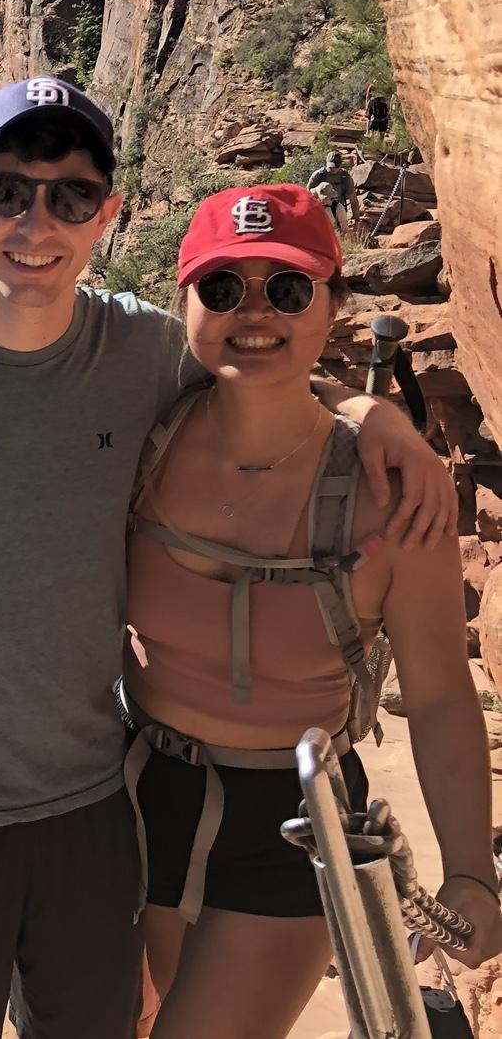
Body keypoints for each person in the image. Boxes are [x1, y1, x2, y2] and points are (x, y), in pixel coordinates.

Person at [0, 76, 455, 1039]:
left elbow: (264, 371)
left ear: (107, 214)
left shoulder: (146, 354)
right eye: (7, 190)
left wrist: (370, 410)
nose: (35, 221)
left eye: (68, 195)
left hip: (94, 805)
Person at [124, 184, 502, 1039]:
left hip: (295, 824)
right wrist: (360, 400)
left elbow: (441, 697)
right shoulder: (137, 432)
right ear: (182, 302)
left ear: (333, 304)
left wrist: (471, 872)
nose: (253, 314)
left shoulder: (393, 502)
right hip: (133, 796)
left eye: (288, 291)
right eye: (222, 289)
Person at [306, 149, 357, 234]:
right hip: (319, 211)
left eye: (335, 167)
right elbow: (307, 195)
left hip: (339, 210)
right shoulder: (318, 175)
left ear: (340, 164)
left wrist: (356, 219)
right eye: (330, 166)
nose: (333, 169)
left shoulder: (345, 177)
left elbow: (353, 199)